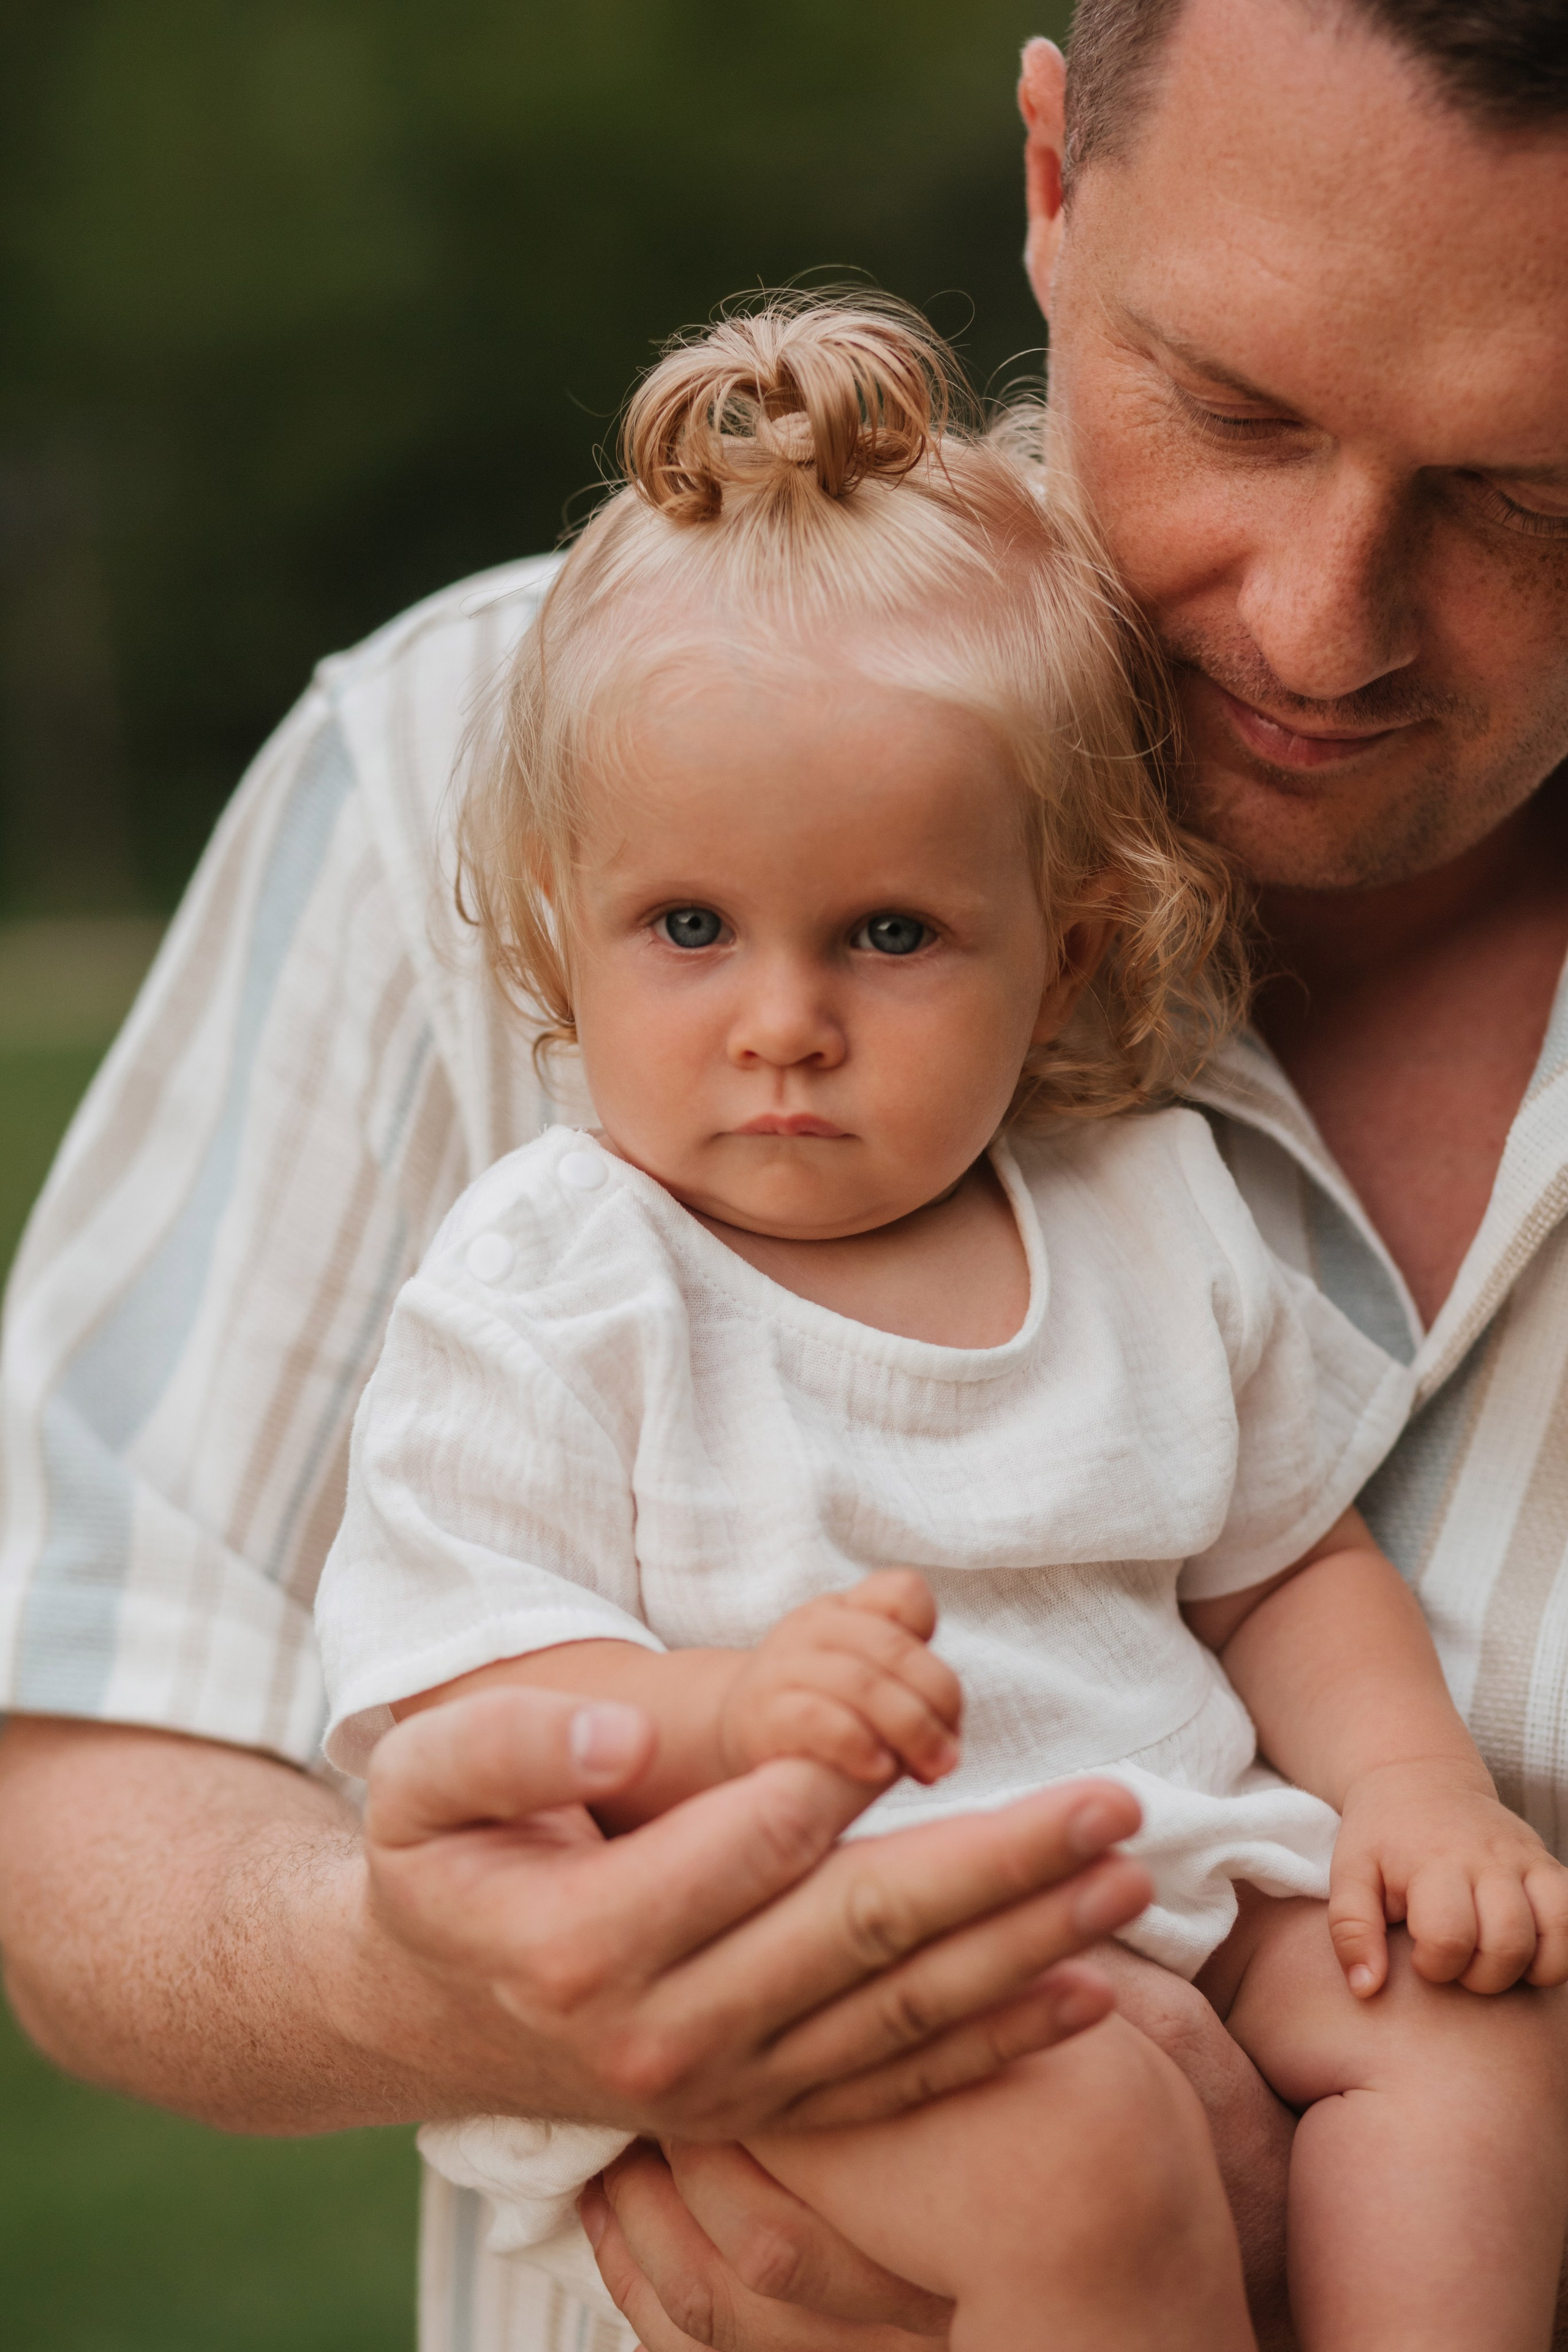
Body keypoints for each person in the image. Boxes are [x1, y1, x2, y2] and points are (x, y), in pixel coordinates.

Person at [0, 0, 1565, 2343]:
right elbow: (185, 1724)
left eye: (1530, 491)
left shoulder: (1124, 1217)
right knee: (1076, 2143)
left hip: (1188, 1878)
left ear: (1069, 958)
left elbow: (1280, 1558)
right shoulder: (530, 1052)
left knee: (1466, 2039)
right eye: (1234, 407)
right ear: (1053, 181)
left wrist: (1415, 1827)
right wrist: (547, 1898)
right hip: (834, 1937)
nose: (1319, 622)